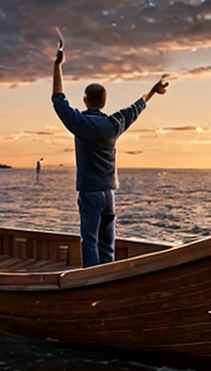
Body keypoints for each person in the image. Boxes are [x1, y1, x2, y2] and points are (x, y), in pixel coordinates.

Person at [51, 44, 169, 268]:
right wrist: (153, 90)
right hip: (109, 193)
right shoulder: (114, 124)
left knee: (90, 242)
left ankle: (92, 284)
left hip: (90, 194)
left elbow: (58, 100)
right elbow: (138, 106)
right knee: (107, 245)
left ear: (86, 100)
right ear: (103, 102)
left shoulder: (82, 123)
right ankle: (107, 280)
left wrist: (57, 66)